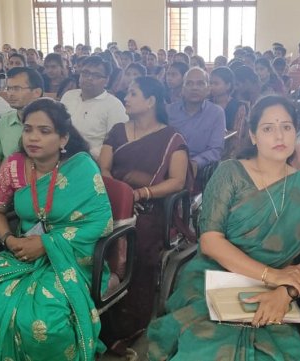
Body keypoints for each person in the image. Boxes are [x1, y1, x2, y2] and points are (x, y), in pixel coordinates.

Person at [147, 96, 300, 360]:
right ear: (254, 136)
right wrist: (272, 275)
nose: (279, 135)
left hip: (273, 292)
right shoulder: (230, 173)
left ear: (296, 132)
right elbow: (210, 241)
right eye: (268, 128)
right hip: (212, 281)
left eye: (287, 127)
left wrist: (285, 291)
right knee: (203, 350)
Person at [0, 97, 109, 360]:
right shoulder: (14, 165)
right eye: (28, 129)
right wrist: (7, 238)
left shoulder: (81, 167)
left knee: (44, 323)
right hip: (21, 251)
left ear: (63, 139)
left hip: (71, 258)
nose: (32, 137)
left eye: (44, 131)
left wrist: (47, 244)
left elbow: (100, 222)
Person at [98, 77, 192, 353]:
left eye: (133, 93)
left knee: (139, 242)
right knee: (91, 242)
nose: (126, 97)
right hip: (111, 204)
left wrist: (141, 194)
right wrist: (118, 194)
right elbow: (104, 168)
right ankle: (94, 314)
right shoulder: (117, 131)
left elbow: (176, 181)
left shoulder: (172, 138)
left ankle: (129, 323)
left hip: (149, 208)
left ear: (150, 101)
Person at [60, 56, 128, 159]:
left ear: (107, 80)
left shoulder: (114, 105)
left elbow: (117, 144)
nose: (89, 78)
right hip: (60, 154)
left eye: (96, 75)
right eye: (85, 73)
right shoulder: (68, 96)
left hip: (92, 161)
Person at [167, 67, 226, 176]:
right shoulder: (169, 111)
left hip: (199, 170)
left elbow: (215, 150)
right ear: (182, 89)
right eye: (189, 83)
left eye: (200, 83)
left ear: (208, 89)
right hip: (168, 166)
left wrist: (194, 163)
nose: (194, 88)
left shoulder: (216, 113)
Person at [0, 67, 43, 160]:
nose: (10, 94)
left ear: (36, 92)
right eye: (9, 88)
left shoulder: (51, 122)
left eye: (17, 88)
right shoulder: (5, 120)